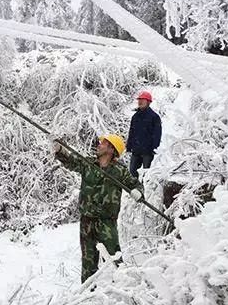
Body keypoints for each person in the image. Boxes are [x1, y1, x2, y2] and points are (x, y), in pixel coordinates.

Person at [52, 134, 143, 283]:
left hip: (107, 223)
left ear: (111, 150)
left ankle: (125, 289)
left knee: (115, 259)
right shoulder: (88, 163)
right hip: (86, 221)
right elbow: (71, 161)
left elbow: (135, 185)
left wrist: (138, 192)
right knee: (88, 264)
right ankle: (88, 295)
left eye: (103, 143)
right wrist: (59, 150)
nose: (99, 145)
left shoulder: (119, 171)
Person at [126, 91, 162, 178]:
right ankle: (134, 190)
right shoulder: (135, 117)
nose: (140, 102)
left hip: (148, 152)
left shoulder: (154, 117)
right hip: (136, 150)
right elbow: (131, 132)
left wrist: (154, 147)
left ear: (148, 102)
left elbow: (157, 134)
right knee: (132, 173)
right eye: (139, 100)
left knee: (146, 175)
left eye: (143, 100)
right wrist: (129, 146)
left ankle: (145, 191)